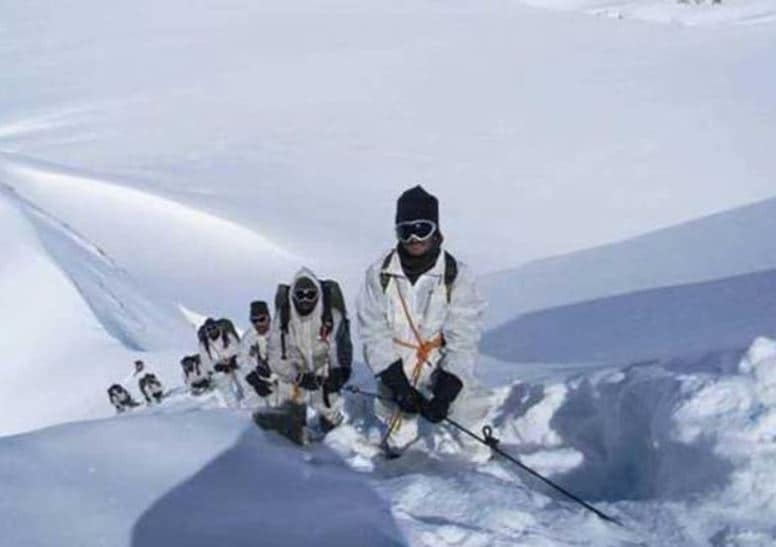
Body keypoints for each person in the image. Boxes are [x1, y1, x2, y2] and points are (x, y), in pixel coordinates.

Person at [357, 185, 487, 458]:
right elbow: (373, 331)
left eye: (422, 228)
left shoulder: (456, 275)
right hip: (396, 364)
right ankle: (401, 465)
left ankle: (482, 462)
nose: (414, 238)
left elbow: (464, 336)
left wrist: (447, 389)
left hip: (440, 363)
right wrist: (398, 385)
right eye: (406, 230)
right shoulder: (379, 274)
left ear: (437, 231)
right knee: (399, 434)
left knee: (468, 417)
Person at [255, 268, 352, 444]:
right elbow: (275, 355)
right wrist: (297, 376)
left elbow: (339, 346)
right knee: (290, 416)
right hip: (295, 373)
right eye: (300, 294)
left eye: (310, 294)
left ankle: (335, 440)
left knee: (330, 409)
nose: (305, 299)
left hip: (322, 369)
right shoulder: (283, 318)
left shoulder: (332, 316)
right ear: (293, 296)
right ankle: (294, 446)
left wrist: (338, 372)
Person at [198, 317, 244, 405]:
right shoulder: (204, 344)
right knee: (226, 390)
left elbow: (238, 349)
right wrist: (217, 366)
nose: (212, 330)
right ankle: (234, 410)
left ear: (217, 327)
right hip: (220, 369)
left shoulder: (227, 335)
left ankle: (249, 404)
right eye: (209, 329)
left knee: (244, 381)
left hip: (234, 364)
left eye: (213, 327)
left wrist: (233, 360)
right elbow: (206, 362)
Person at [241, 301, 276, 403]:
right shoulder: (249, 337)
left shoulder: (280, 332)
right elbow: (242, 359)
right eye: (254, 321)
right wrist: (253, 378)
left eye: (261, 319)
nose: (258, 324)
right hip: (260, 384)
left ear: (268, 317)